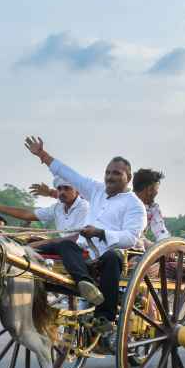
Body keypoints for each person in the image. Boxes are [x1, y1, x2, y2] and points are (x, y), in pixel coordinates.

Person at [24, 135, 146, 335]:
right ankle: (85, 285)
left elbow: (131, 238)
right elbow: (70, 174)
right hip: (81, 253)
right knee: (39, 248)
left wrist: (100, 232)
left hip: (108, 255)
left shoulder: (135, 205)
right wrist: (42, 155)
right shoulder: (96, 190)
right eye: (108, 172)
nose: (110, 177)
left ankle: (105, 317)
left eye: (116, 173)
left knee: (111, 257)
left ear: (128, 178)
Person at [0, 176, 90, 237]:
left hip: (80, 250)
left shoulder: (84, 207)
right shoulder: (57, 208)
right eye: (59, 189)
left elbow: (77, 239)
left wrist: (47, 242)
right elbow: (27, 214)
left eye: (67, 188)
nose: (62, 192)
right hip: (63, 246)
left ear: (77, 191)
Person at [132, 168, 171, 247]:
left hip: (139, 244)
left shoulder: (153, 208)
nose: (157, 193)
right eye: (157, 189)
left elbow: (161, 232)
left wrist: (166, 246)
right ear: (149, 189)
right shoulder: (124, 201)